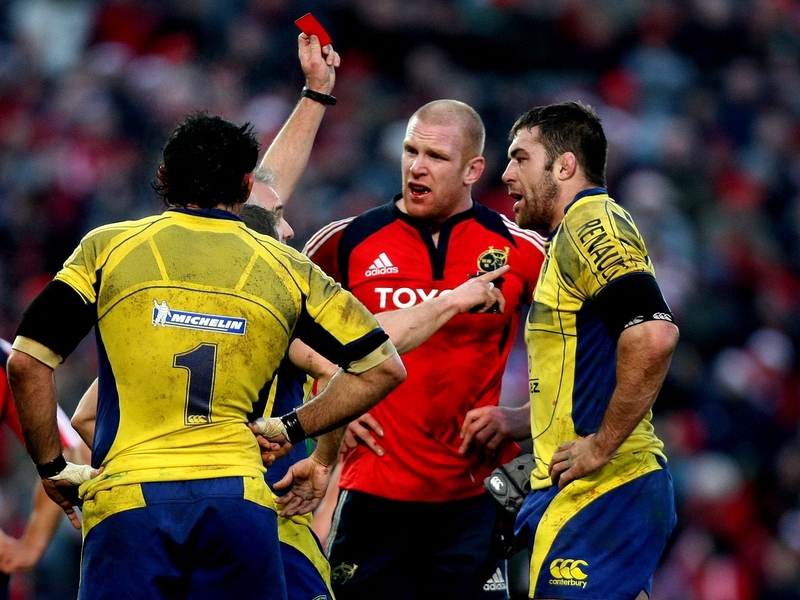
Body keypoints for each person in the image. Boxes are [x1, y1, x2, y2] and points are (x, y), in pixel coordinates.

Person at [6, 110, 407, 600]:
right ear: (244, 186)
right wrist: (292, 428)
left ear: (163, 177)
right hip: (239, 503)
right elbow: (382, 367)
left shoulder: (106, 249)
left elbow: (27, 363)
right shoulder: (288, 269)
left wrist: (52, 469)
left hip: (130, 502)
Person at [303, 98, 546, 600]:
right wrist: (330, 394)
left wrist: (524, 417)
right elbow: (280, 329)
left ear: (473, 169)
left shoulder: (521, 250)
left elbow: (590, 351)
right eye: (410, 150)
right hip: (371, 494)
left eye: (435, 157)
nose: (416, 166)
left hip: (474, 500)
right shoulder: (346, 241)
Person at [500, 101, 679, 599]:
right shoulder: (570, 235)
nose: (506, 173)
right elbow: (588, 368)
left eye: (520, 158)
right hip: (594, 487)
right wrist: (520, 420)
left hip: (603, 486)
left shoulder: (590, 224)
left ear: (564, 166)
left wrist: (600, 446)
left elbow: (653, 335)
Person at [0, 338, 87, 600]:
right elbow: (65, 452)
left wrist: (31, 546)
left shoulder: (9, 361)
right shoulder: (8, 360)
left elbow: (64, 453)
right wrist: (31, 546)